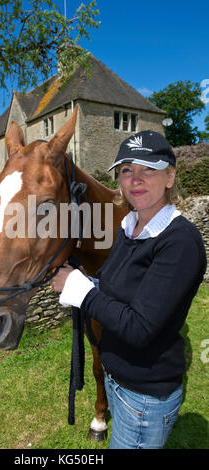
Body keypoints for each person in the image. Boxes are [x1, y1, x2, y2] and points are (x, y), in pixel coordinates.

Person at [51, 130, 207, 449]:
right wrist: (83, 281)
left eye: (148, 168)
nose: (135, 179)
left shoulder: (180, 242)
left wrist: (82, 293)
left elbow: (139, 327)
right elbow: (115, 289)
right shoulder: (129, 226)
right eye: (126, 170)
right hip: (116, 380)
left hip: (145, 396)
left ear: (169, 177)